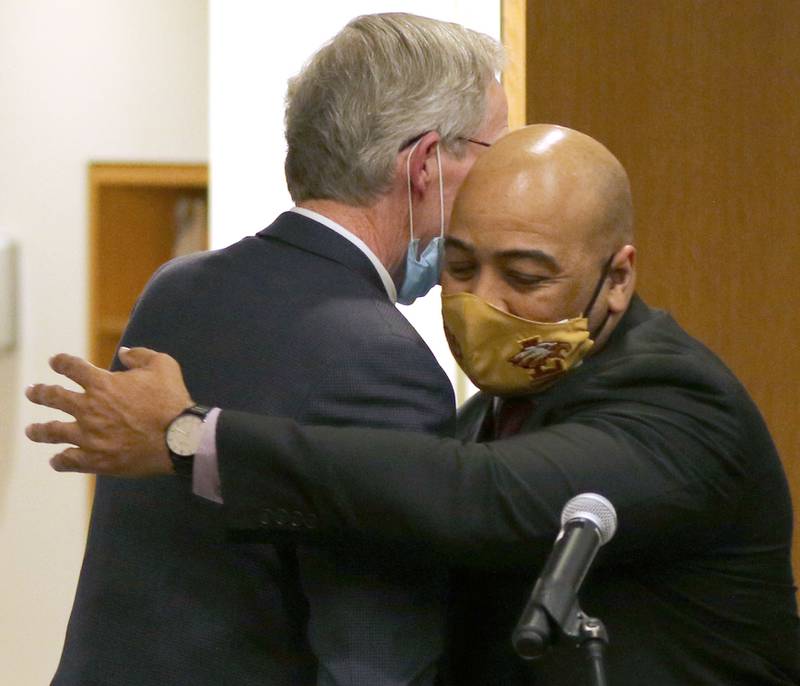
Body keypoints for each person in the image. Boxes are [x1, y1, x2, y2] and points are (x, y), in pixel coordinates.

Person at [28, 125, 800, 684]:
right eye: (460, 267)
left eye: (525, 278)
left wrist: (193, 438)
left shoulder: (682, 407)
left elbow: (479, 498)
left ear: (618, 278)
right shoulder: (489, 414)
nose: (483, 302)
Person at [28, 13, 508, 686]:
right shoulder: (384, 360)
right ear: (425, 163)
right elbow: (376, 656)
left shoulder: (177, 287)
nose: (501, 191)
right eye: (496, 157)